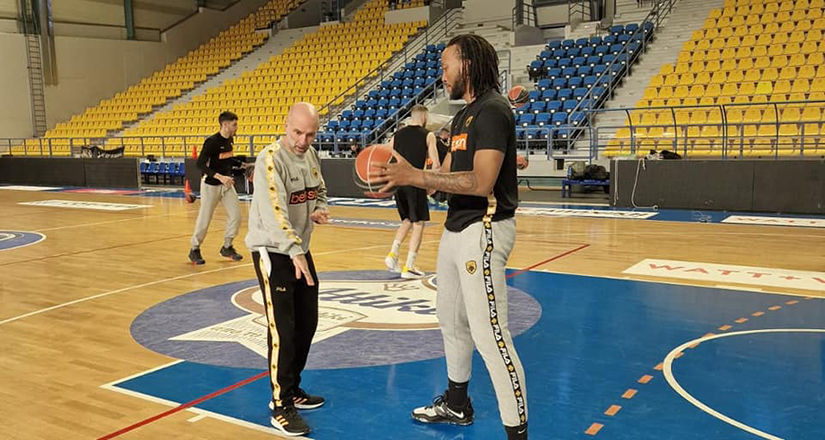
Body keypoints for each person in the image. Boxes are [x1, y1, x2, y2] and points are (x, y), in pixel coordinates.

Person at [371, 34, 528, 439]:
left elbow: (481, 181)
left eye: (446, 66)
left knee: (490, 335)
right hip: (456, 227)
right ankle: (457, 404)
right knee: (450, 320)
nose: (441, 74)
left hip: (484, 228)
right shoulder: (462, 118)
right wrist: (405, 179)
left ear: (468, 65)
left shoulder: (493, 110)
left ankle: (518, 433)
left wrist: (417, 176)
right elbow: (447, 181)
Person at [245, 102, 330, 437]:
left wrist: (319, 208)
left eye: (310, 134)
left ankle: (292, 388)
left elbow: (320, 190)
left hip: (299, 250)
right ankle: (280, 405)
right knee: (283, 328)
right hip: (274, 251)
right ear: (285, 125)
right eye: (297, 132)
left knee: (308, 322)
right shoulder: (269, 159)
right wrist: (295, 252)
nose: (302, 141)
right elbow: (274, 213)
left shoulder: (311, 156)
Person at [384, 105, 441, 279]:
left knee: (407, 220)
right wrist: (432, 183)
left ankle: (393, 254)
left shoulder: (397, 135)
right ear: (424, 117)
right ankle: (409, 265)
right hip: (414, 180)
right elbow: (436, 164)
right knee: (418, 223)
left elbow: (385, 154)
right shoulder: (428, 135)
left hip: (398, 182)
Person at [188, 111, 246, 265]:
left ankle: (227, 247)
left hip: (226, 185)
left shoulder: (230, 140)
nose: (236, 127)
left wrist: (243, 165)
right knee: (205, 218)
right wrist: (220, 177)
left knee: (236, 216)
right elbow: (200, 164)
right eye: (234, 125)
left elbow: (227, 158)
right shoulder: (212, 142)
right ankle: (194, 249)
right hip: (210, 185)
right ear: (225, 124)